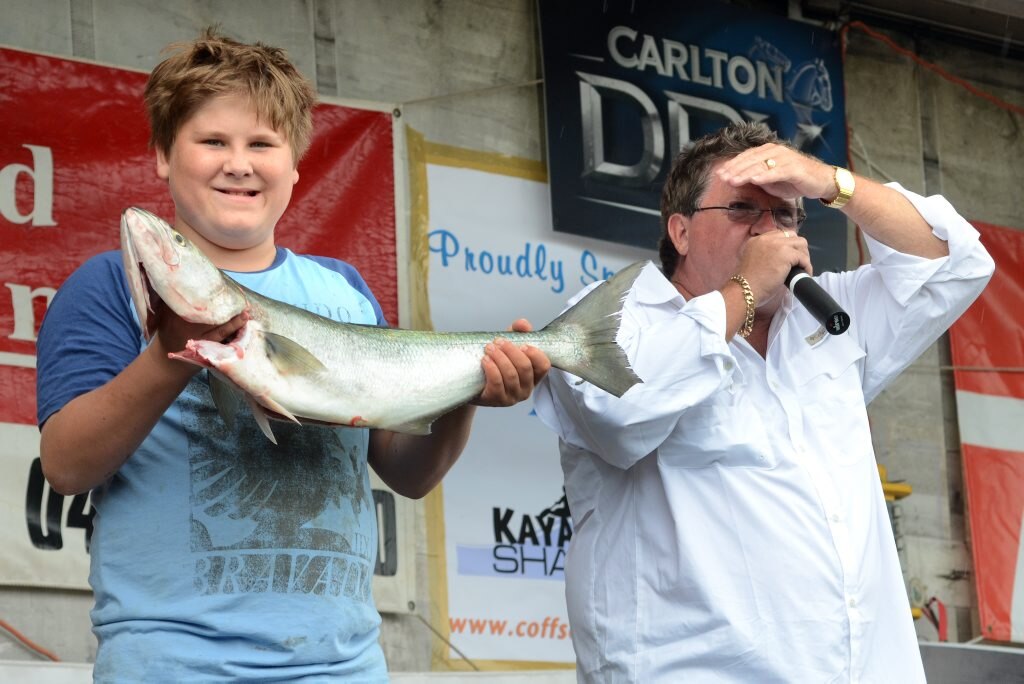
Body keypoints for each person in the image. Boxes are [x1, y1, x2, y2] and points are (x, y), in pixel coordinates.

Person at [35, 29, 549, 681]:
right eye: (212, 141)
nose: (238, 162)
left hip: (343, 664)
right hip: (173, 661)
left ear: (296, 163)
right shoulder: (108, 285)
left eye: (261, 144)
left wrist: (464, 399)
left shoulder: (343, 292)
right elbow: (66, 465)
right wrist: (173, 351)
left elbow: (409, 475)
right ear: (164, 155)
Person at [534, 121, 993, 682]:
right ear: (680, 231)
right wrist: (744, 293)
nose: (769, 231)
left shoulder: (827, 314)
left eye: (785, 214)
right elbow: (622, 416)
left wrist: (829, 181)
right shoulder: (615, 317)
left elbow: (958, 261)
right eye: (742, 210)